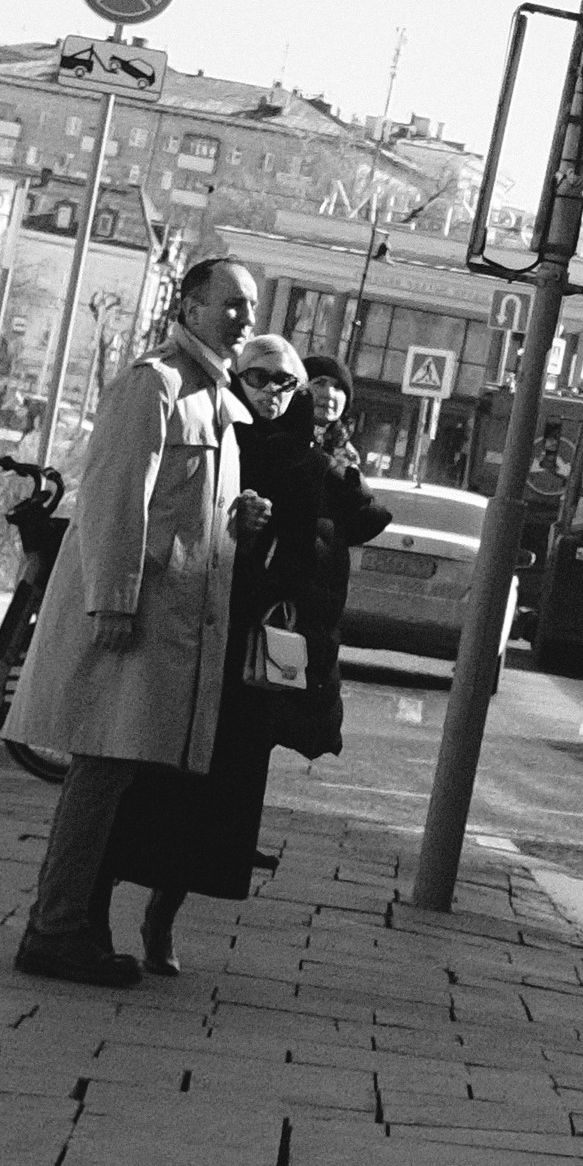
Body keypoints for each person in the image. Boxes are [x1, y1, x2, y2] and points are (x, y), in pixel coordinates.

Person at [101, 334, 389, 975]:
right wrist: (232, 515)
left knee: (214, 803)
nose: (272, 393)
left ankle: (161, 922)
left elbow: (348, 537)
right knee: (149, 784)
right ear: (237, 377)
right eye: (259, 378)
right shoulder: (215, 431)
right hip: (184, 637)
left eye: (287, 385)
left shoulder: (308, 461)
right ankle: (94, 909)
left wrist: (301, 519)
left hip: (250, 656)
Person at [9, 252, 260, 986]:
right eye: (230, 304)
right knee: (101, 772)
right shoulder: (156, 387)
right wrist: (113, 599)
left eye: (251, 307)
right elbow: (114, 500)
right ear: (188, 306)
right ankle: (53, 930)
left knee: (119, 779)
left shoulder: (213, 398)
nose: (244, 320)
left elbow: (192, 516)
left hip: (170, 633)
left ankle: (74, 926)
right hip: (134, 624)